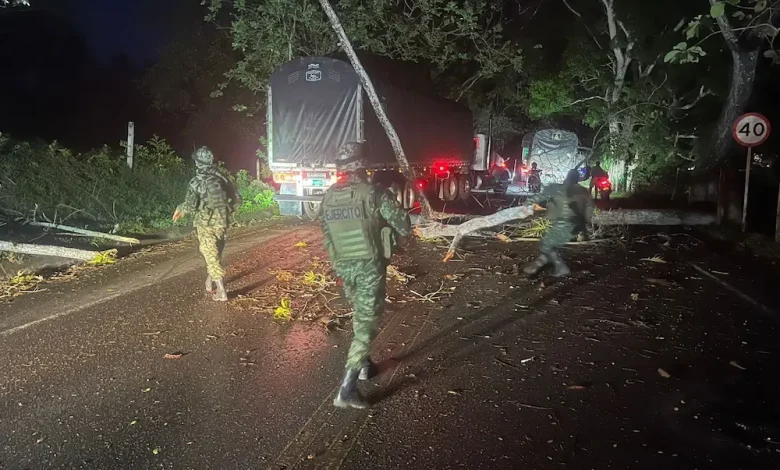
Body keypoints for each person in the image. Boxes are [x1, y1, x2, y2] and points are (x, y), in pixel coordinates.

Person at [317, 141, 411, 409]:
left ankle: (365, 366)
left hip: (344, 268)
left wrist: (339, 264)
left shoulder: (329, 196)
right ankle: (347, 390)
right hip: (369, 268)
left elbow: (326, 234)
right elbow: (404, 226)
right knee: (366, 324)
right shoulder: (374, 194)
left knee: (360, 313)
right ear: (364, 166)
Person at [172, 147, 242, 301]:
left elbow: (190, 206)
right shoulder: (222, 179)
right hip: (222, 222)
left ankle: (221, 291)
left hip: (205, 223)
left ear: (197, 163)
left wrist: (181, 208)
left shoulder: (196, 182)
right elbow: (238, 199)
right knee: (215, 252)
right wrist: (227, 210)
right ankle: (209, 281)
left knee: (210, 253)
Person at [523, 169, 593, 277]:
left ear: (567, 177)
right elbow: (589, 210)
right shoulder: (584, 191)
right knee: (552, 245)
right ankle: (536, 265)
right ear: (577, 179)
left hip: (563, 224)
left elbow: (538, 197)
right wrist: (586, 227)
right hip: (578, 226)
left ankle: (561, 268)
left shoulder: (556, 188)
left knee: (545, 245)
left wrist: (526, 203)